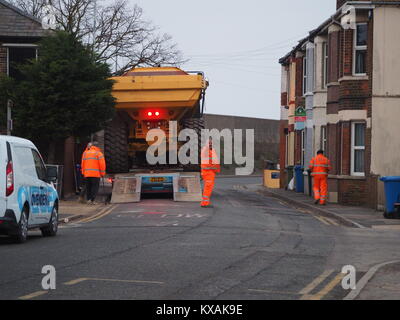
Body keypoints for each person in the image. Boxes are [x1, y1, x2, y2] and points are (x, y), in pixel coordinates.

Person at [200, 139, 220, 208]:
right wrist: (215, 169)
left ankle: (205, 202)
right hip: (208, 172)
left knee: (208, 187)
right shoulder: (206, 151)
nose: (210, 144)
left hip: (210, 172)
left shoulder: (210, 150)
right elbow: (211, 163)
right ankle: (204, 203)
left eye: (211, 143)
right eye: (209, 143)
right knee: (208, 188)